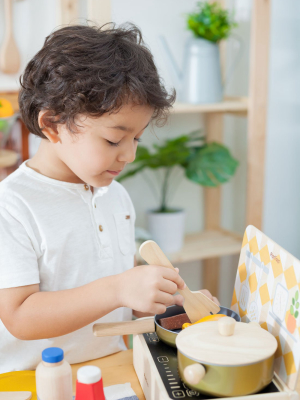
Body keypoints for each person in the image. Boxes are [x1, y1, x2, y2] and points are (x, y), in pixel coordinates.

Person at [0, 23, 219, 373]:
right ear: (53, 125)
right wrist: (117, 289)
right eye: (114, 141)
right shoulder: (12, 206)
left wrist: (164, 302)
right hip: (33, 380)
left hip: (112, 367)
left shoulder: (114, 195)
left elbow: (117, 284)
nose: (129, 155)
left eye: (137, 139)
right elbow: (19, 316)